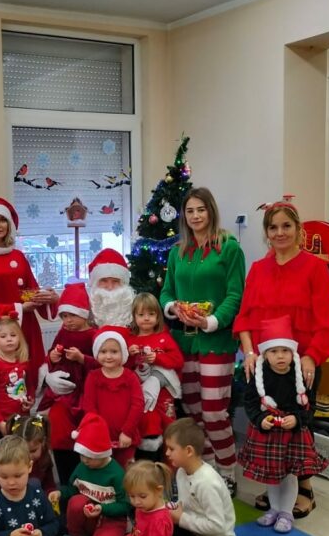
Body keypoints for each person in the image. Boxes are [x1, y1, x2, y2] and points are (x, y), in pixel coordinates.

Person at [233, 198, 329, 517]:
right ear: (266, 232)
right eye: (273, 227)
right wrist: (249, 352)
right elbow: (244, 317)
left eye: (286, 226)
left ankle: (304, 487)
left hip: (301, 364)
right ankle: (277, 485)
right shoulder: (258, 270)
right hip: (265, 365)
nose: (280, 233)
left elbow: (325, 322)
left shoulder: (315, 268)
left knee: (298, 424)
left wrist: (312, 357)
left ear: (297, 229)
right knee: (270, 424)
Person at [160, 187, 245, 496]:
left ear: (211, 211)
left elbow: (236, 294)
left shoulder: (229, 248)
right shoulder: (177, 252)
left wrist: (212, 321)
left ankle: (227, 471)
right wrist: (174, 308)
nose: (195, 216)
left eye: (201, 209)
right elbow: (166, 292)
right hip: (184, 344)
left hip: (216, 342)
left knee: (213, 412)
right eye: (190, 211)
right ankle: (206, 471)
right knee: (193, 412)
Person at [238, 317, 328, 534]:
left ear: (292, 352)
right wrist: (260, 419)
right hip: (268, 434)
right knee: (272, 475)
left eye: (285, 351)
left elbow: (310, 406)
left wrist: (297, 419)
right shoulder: (258, 375)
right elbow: (250, 403)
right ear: (265, 354)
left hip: (292, 435)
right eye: (274, 351)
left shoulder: (300, 375)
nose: (280, 356)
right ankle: (275, 509)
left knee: (289, 475)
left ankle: (286, 512)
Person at [0, 196, 57, 387]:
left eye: (3, 220)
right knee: (2, 386)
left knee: (29, 382)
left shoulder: (18, 255)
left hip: (27, 328)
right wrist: (19, 308)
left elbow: (28, 292)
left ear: (10, 225)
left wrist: (46, 297)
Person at [37, 281, 96, 483]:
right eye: (63, 316)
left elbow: (100, 364)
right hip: (62, 392)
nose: (67, 321)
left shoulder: (92, 335)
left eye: (72, 315)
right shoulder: (63, 332)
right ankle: (64, 478)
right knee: (59, 428)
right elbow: (53, 353)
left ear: (84, 314)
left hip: (84, 391)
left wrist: (82, 359)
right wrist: (52, 357)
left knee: (83, 431)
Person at [50, 412, 130, 536]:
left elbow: (126, 506)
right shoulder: (81, 467)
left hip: (111, 518)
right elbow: (72, 490)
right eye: (82, 455)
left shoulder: (117, 474)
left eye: (90, 457)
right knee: (76, 501)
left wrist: (102, 508)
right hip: (88, 516)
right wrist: (60, 493)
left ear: (102, 453)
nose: (85, 461)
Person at [164, 418, 235, 536]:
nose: (167, 453)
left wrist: (181, 519)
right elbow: (186, 504)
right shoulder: (182, 471)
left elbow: (217, 527)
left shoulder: (206, 482)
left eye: (171, 449)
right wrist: (171, 510)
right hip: (190, 529)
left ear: (189, 451)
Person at [127, 292, 184, 459]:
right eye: (141, 314)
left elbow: (178, 361)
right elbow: (124, 368)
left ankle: (171, 465)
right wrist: (129, 355)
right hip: (141, 395)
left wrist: (158, 358)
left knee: (170, 428)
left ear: (158, 316)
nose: (146, 318)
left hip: (164, 395)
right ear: (134, 316)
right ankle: (147, 465)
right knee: (146, 426)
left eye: (151, 314)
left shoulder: (164, 338)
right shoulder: (131, 340)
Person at [80, 329, 144, 468]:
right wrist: (98, 431)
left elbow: (138, 405)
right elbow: (89, 407)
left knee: (125, 470)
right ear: (97, 353)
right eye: (103, 352)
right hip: (100, 437)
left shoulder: (130, 377)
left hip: (126, 437)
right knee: (103, 470)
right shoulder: (93, 377)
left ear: (123, 353)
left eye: (114, 352)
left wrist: (127, 432)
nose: (108, 356)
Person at [0, 314, 35, 435]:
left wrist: (31, 400)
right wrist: (0, 423)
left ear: (20, 338)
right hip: (4, 421)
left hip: (23, 418)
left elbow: (29, 386)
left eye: (13, 335)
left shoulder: (24, 362)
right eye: (3, 336)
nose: (9, 339)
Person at [6, 414, 56, 495]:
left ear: (43, 442)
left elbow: (49, 485)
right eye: (23, 451)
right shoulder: (8, 462)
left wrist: (52, 493)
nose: (28, 456)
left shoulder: (44, 459)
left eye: (33, 451)